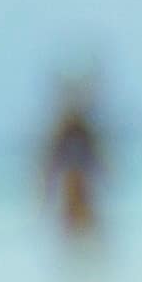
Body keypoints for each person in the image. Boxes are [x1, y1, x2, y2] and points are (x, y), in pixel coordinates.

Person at [34, 64, 116, 266]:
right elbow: (50, 164)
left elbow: (50, 165)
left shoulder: (79, 128)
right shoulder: (66, 128)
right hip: (73, 191)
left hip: (80, 191)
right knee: (77, 239)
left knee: (86, 238)